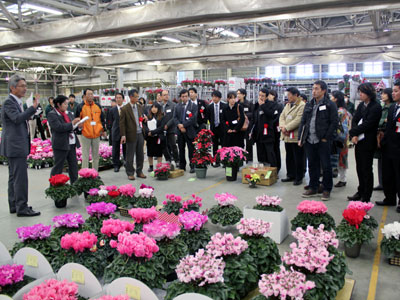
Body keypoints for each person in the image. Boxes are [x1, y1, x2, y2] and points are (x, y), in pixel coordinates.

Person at [0, 74, 40, 217]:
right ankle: (22, 207)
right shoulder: (9, 102)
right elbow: (16, 119)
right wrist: (32, 108)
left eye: (25, 86)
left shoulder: (16, 102)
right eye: (22, 86)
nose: (25, 88)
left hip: (14, 145)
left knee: (14, 177)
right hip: (15, 146)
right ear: (12, 87)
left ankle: (14, 204)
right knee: (20, 178)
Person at [299, 80, 338, 201]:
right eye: (313, 88)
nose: (314, 91)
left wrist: (326, 137)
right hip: (309, 139)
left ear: (324, 91)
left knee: (326, 166)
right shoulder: (309, 104)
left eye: (317, 89)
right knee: (312, 164)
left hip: (323, 140)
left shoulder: (330, 105)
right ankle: (313, 186)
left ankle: (326, 189)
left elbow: (334, 122)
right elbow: (303, 121)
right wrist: (301, 137)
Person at [347, 82, 382, 203]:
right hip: (359, 141)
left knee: (366, 169)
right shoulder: (361, 105)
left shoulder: (376, 107)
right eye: (359, 92)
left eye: (362, 92)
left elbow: (368, 124)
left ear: (369, 93)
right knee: (359, 168)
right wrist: (355, 134)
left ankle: (366, 195)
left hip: (368, 141)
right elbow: (355, 119)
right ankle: (360, 191)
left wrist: (352, 132)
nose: (360, 94)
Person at [376, 81, 400, 212]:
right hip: (388, 146)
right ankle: (389, 198)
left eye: (396, 91)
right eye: (393, 91)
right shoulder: (392, 108)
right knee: (388, 174)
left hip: (398, 148)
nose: (393, 93)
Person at [47, 95, 81, 188]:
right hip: (61, 144)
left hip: (71, 142)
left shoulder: (68, 113)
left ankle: (75, 185)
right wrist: (72, 123)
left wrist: (78, 124)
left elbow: (72, 126)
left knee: (73, 165)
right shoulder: (52, 114)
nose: (67, 106)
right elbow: (58, 127)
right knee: (58, 166)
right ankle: (54, 186)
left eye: (67, 104)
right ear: (58, 104)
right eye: (65, 104)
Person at [280, 87, 305, 185]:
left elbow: (298, 120)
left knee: (298, 157)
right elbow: (282, 116)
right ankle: (290, 175)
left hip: (295, 135)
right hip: (286, 135)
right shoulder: (287, 105)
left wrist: (286, 128)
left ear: (296, 95)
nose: (288, 96)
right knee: (289, 156)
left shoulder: (302, 105)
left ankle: (299, 177)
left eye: (289, 95)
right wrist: (283, 127)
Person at [76, 88, 106, 171]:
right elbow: (77, 120)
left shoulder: (98, 106)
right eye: (88, 94)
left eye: (92, 94)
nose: (90, 96)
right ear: (85, 96)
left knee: (95, 155)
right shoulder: (80, 107)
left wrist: (103, 130)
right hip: (85, 134)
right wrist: (80, 129)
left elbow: (102, 119)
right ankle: (84, 173)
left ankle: (95, 173)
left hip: (96, 134)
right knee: (85, 154)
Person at [120, 89, 147, 180]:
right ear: (131, 97)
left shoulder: (139, 107)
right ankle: (130, 172)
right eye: (136, 97)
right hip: (130, 134)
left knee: (140, 154)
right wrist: (123, 135)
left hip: (140, 133)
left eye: (138, 96)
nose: (137, 98)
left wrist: (144, 119)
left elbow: (141, 118)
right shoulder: (124, 109)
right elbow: (122, 123)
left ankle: (139, 171)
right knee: (130, 155)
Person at [250, 88, 277, 167]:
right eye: (259, 95)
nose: (260, 97)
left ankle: (273, 170)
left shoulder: (271, 105)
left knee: (270, 153)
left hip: (268, 134)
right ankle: (262, 170)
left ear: (267, 96)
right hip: (258, 134)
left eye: (263, 96)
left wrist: (263, 105)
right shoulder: (256, 105)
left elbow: (271, 115)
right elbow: (253, 118)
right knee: (260, 153)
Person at [374, 88, 393, 191]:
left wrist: (383, 121)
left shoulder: (392, 107)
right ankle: (382, 182)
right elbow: (380, 121)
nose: (382, 95)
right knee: (381, 161)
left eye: (384, 94)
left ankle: (387, 184)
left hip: (388, 136)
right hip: (380, 136)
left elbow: (388, 122)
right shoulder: (382, 107)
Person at [174, 89, 198, 173]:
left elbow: (193, 119)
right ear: (180, 97)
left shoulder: (193, 106)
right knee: (181, 149)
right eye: (183, 96)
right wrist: (180, 126)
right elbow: (175, 118)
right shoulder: (177, 106)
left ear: (188, 96)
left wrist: (184, 125)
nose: (184, 98)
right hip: (180, 131)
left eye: (186, 96)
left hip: (190, 130)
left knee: (191, 149)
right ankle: (182, 166)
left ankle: (192, 165)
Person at [331, 91, 351, 188]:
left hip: (339, 138)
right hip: (343, 137)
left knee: (340, 158)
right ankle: (342, 178)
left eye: (332, 96)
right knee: (341, 158)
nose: (331, 98)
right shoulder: (344, 110)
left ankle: (342, 179)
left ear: (336, 99)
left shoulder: (340, 111)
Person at [144, 103, 167, 171]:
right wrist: (148, 131)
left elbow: (162, 127)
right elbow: (145, 125)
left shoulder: (162, 116)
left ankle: (159, 166)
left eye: (155, 107)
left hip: (158, 137)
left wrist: (153, 132)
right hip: (150, 137)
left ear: (158, 109)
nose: (154, 109)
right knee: (150, 152)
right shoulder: (148, 116)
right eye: (152, 107)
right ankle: (151, 166)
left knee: (159, 153)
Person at [207, 90, 227, 167]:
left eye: (216, 97)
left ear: (219, 98)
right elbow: (208, 117)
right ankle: (216, 161)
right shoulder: (210, 107)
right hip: (213, 128)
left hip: (222, 128)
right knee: (214, 145)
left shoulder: (224, 106)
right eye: (213, 97)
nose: (214, 98)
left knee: (223, 144)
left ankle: (224, 161)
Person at [160, 89, 179, 167]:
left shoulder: (173, 105)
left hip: (171, 129)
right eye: (164, 95)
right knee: (164, 146)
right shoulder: (160, 106)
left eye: (167, 94)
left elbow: (174, 117)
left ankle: (177, 160)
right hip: (162, 130)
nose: (166, 96)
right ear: (161, 96)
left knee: (173, 145)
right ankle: (168, 159)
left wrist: (167, 125)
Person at [108, 93, 126, 172]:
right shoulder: (112, 110)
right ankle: (116, 165)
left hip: (125, 132)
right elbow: (110, 122)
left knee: (126, 149)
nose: (118, 99)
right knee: (115, 149)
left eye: (120, 98)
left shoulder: (126, 109)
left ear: (123, 99)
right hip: (115, 132)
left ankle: (126, 163)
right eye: (117, 98)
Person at [268, 90, 283, 172]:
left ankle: (277, 167)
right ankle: (271, 166)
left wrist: (270, 124)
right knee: (270, 150)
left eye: (269, 95)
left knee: (276, 148)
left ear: (273, 96)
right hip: (268, 131)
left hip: (275, 130)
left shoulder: (279, 105)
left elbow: (279, 117)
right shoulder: (266, 105)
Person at [237, 88, 254, 162]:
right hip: (239, 126)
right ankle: (240, 157)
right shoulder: (236, 104)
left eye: (239, 93)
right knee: (240, 142)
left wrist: (245, 115)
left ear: (244, 95)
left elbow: (253, 113)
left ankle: (249, 158)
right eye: (237, 93)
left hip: (248, 126)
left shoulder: (249, 103)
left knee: (249, 143)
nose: (238, 95)